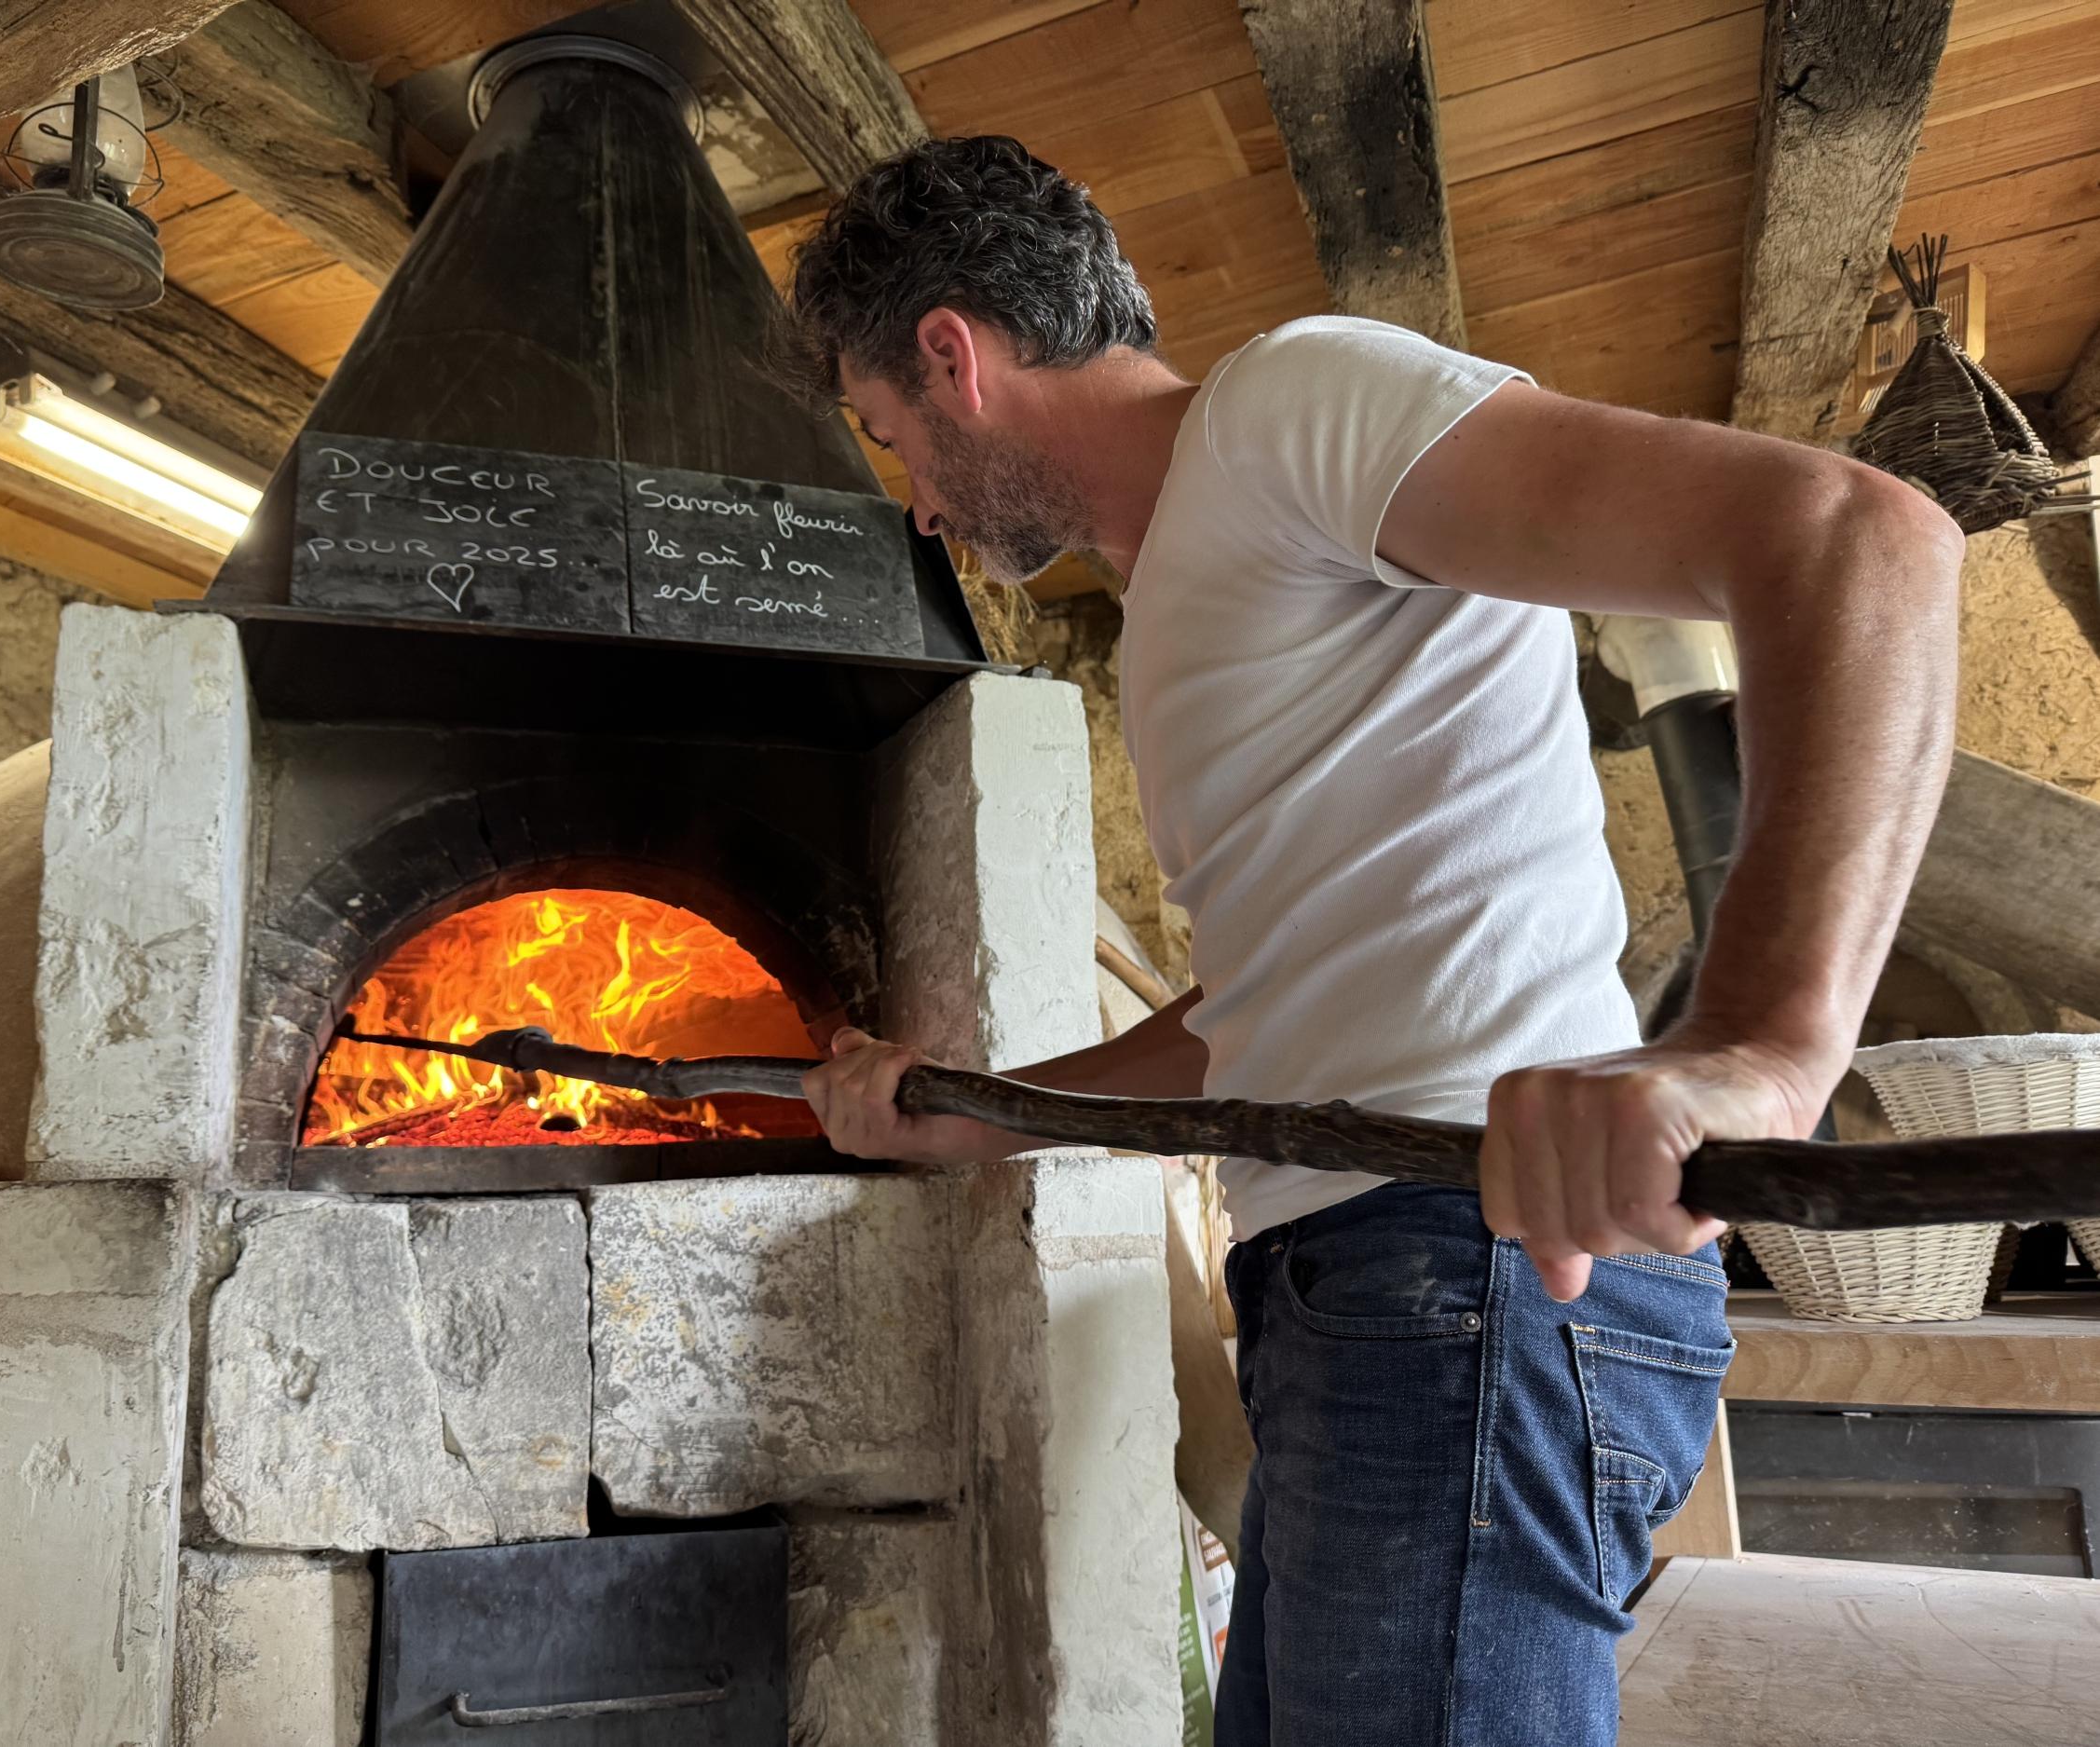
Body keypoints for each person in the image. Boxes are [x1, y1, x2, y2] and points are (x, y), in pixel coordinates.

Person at [780, 136, 1963, 1745]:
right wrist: (971, 1113)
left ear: (952, 356)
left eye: (887, 435)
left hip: (1468, 1264)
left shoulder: (1287, 409)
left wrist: (1758, 1046)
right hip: (1366, 1290)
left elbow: (1856, 535)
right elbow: (1263, 1012)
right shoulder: (1195, 579)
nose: (911, 502)